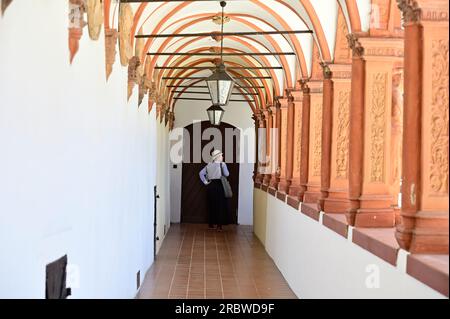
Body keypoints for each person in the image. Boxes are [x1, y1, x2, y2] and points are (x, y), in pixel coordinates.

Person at [199, 149, 230, 231]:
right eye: (221, 155)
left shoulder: (208, 165)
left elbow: (201, 173)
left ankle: (211, 225)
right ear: (218, 157)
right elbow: (227, 174)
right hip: (220, 186)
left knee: (211, 205)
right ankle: (219, 226)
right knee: (220, 206)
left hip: (210, 187)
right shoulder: (222, 164)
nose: (222, 157)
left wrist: (206, 182)